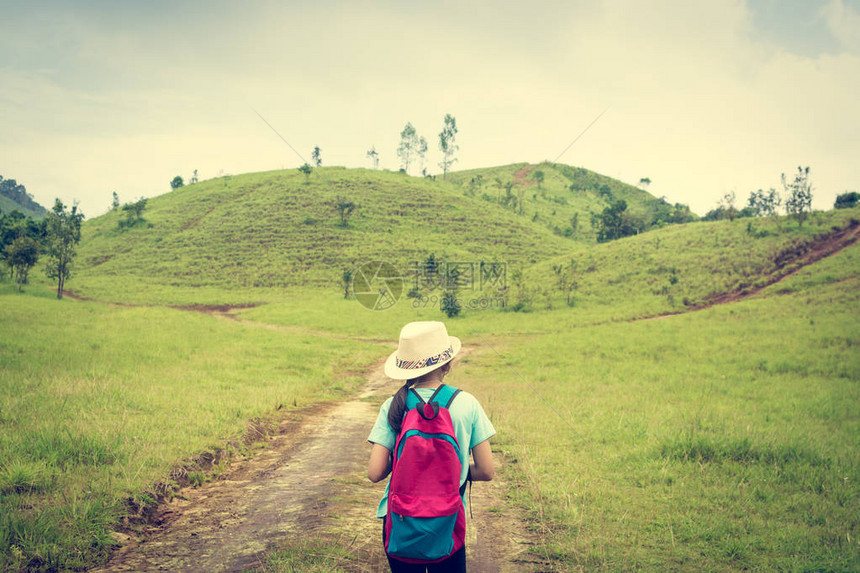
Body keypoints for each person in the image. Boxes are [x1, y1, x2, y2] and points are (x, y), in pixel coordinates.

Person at [367, 321, 495, 573]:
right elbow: (487, 470)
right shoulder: (467, 403)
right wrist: (452, 471)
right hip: (447, 521)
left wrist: (409, 465)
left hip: (400, 520)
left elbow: (374, 473)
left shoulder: (393, 404)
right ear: (448, 363)